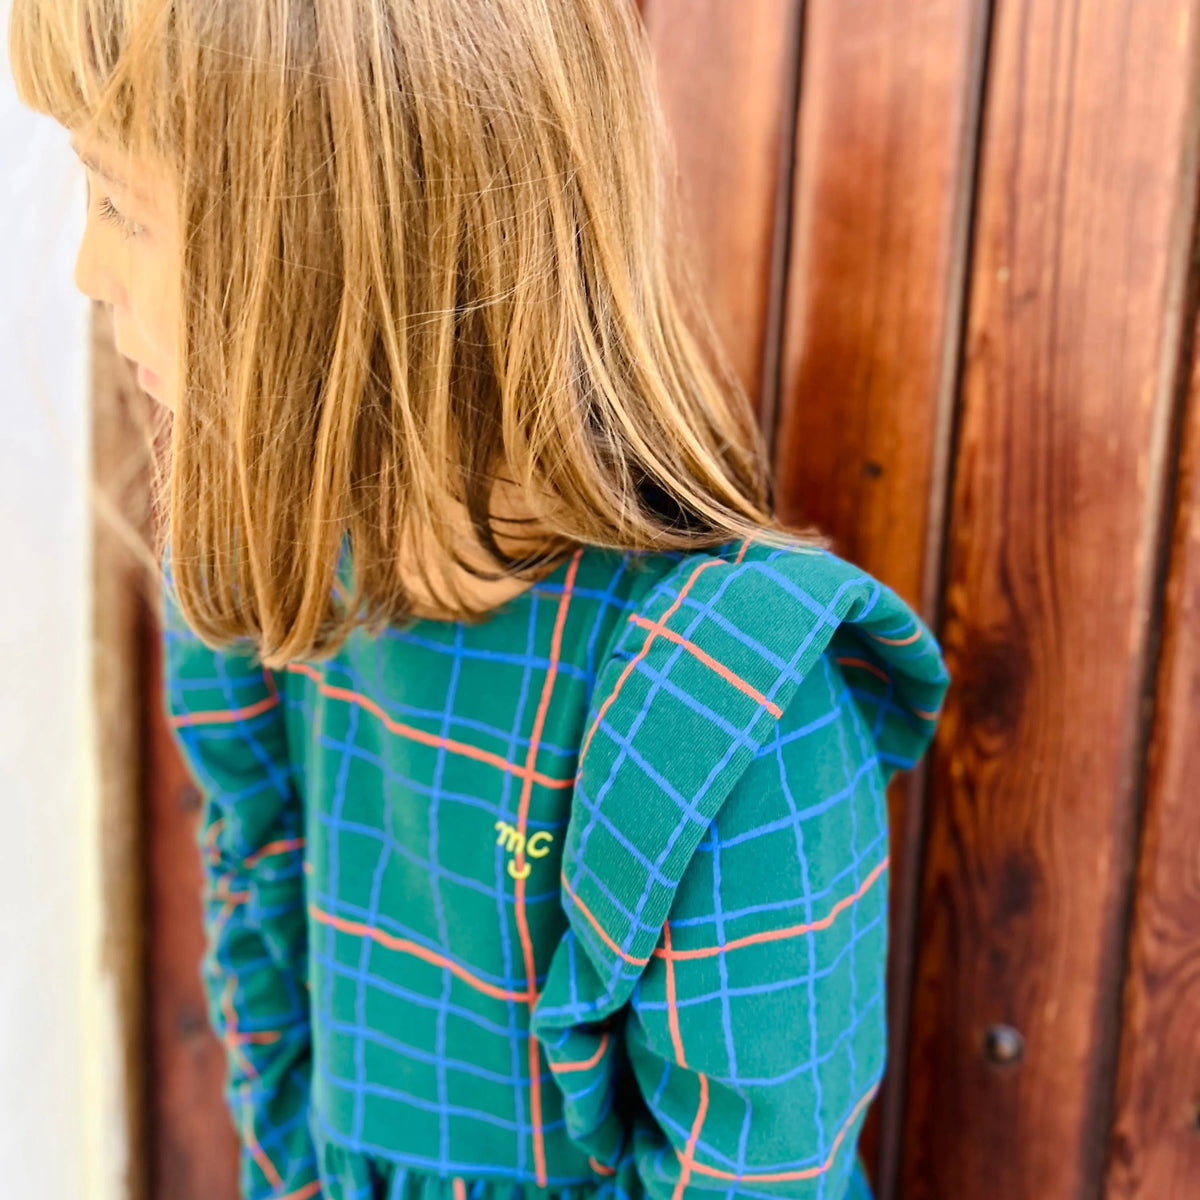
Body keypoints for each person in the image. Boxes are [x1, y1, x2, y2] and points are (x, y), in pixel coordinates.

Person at [12, 2, 950, 1198]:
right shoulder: (274, 577)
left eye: (125, 206)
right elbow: (266, 955)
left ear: (342, 249)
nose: (89, 272)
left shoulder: (730, 714)